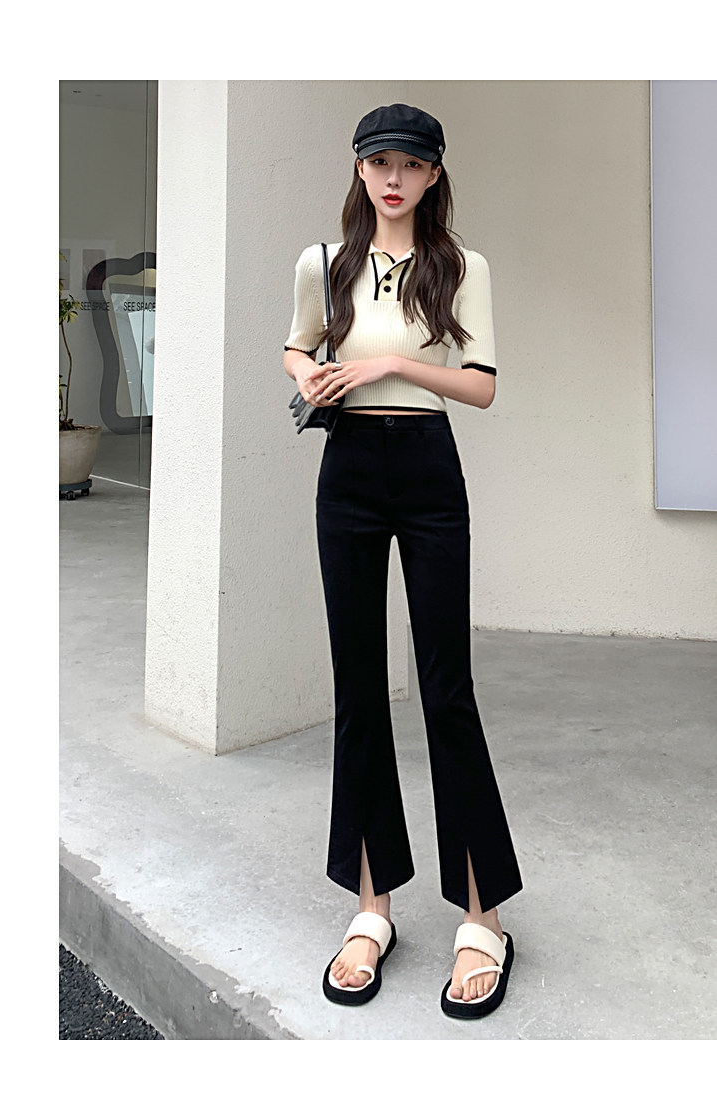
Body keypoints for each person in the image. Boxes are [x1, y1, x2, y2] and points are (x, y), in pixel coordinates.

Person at [282, 104, 524, 1019]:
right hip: (346, 467)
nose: (394, 178)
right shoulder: (324, 263)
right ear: (359, 168)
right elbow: (296, 342)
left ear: (433, 174)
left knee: (445, 687)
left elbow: (482, 386)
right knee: (356, 686)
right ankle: (371, 907)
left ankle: (482, 918)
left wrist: (392, 364)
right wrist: (308, 373)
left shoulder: (461, 267)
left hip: (426, 465)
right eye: (379, 161)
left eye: (411, 164)